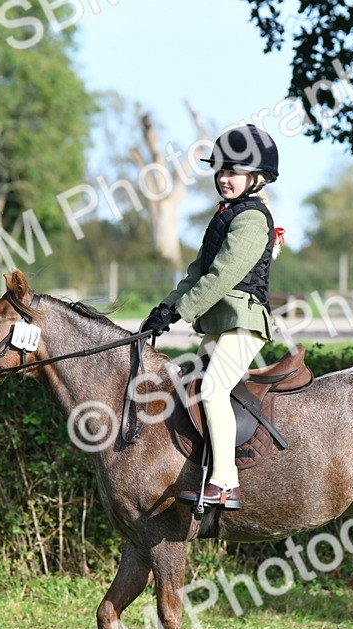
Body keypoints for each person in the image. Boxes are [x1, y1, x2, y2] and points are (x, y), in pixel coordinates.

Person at [141, 125, 283, 511]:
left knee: (213, 389)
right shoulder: (225, 216)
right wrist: (165, 309)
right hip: (220, 324)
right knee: (186, 386)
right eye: (220, 171)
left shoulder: (253, 219)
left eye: (232, 172)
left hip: (243, 323)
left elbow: (222, 276)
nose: (223, 178)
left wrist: (185, 310)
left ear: (256, 178)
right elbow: (195, 273)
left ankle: (225, 484)